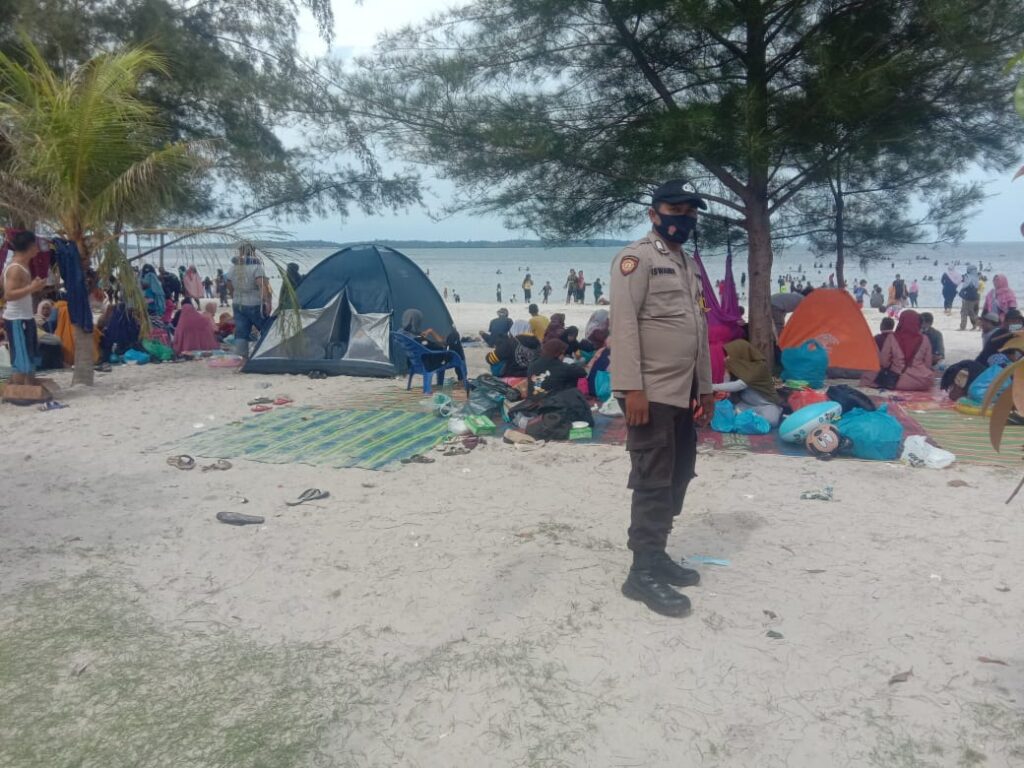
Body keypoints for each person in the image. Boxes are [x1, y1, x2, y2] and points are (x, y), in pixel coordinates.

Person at [610, 178, 714, 618]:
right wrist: (631, 387)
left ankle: (656, 555)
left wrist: (705, 387)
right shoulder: (637, 259)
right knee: (652, 480)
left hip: (683, 390)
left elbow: (699, 330)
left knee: (678, 474)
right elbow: (623, 325)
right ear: (654, 214)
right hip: (650, 391)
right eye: (675, 210)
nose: (684, 219)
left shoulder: (687, 263)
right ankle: (640, 573)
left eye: (690, 212)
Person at [2, 230, 45, 384]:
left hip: (25, 317)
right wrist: (31, 288)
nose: (38, 249)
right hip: (17, 319)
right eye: (36, 245)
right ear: (30, 246)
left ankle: (27, 387)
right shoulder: (15, 268)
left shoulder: (22, 265)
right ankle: (18, 389)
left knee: (30, 357)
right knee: (21, 360)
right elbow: (8, 294)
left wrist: (33, 287)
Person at [711, 339, 783, 427]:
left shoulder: (759, 367)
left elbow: (740, 385)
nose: (726, 358)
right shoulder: (735, 367)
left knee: (770, 420)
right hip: (745, 405)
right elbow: (727, 384)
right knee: (725, 415)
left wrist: (711, 387)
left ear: (741, 354)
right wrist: (727, 371)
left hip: (766, 405)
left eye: (729, 355)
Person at [862, 309, 934, 391]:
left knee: (869, 375)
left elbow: (884, 362)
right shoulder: (924, 339)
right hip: (923, 381)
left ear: (901, 321)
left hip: (898, 381)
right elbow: (928, 364)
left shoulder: (892, 337)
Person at [230, 243, 272, 358]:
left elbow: (229, 283)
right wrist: (267, 302)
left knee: (241, 331)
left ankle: (241, 356)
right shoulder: (256, 267)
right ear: (253, 252)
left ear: (240, 252)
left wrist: (234, 295)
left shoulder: (234, 267)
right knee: (265, 328)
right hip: (254, 303)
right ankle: (266, 353)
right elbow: (261, 285)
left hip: (237, 302)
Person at [401, 309, 465, 379]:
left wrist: (431, 332)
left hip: (415, 364)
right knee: (455, 338)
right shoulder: (419, 339)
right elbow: (437, 347)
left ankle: (462, 378)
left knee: (453, 341)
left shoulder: (405, 335)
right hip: (433, 362)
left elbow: (430, 345)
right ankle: (462, 379)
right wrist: (443, 345)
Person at [960, 265, 981, 330]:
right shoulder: (977, 276)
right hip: (977, 296)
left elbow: (965, 285)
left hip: (968, 297)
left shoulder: (968, 276)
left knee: (964, 312)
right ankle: (977, 326)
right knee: (974, 312)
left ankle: (963, 327)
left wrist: (961, 291)